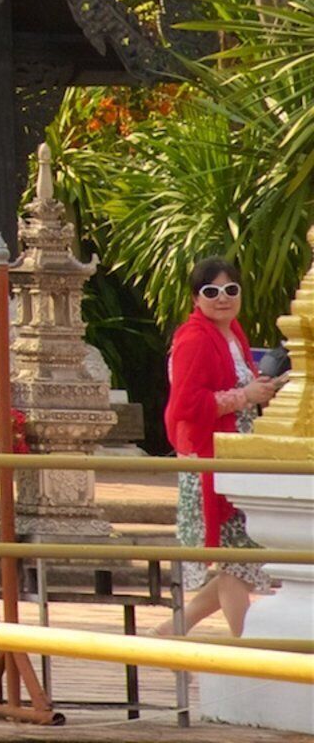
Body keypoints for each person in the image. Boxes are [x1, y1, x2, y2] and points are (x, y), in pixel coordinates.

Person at [169, 254, 286, 635]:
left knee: (242, 557)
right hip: (211, 461)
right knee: (237, 560)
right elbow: (187, 404)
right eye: (211, 291)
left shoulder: (233, 334)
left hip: (235, 460)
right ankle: (247, 646)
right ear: (195, 298)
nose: (223, 297)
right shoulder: (193, 339)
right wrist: (245, 396)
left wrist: (262, 391)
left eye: (230, 289)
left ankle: (174, 628)